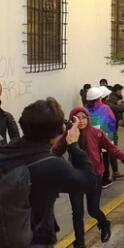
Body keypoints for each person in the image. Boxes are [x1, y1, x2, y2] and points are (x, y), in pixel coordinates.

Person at [0, 98, 95, 247]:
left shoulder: (7, 151)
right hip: (36, 240)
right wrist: (74, 145)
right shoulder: (52, 165)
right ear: (59, 131)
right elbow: (88, 181)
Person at [52, 107, 124, 248]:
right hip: (74, 178)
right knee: (77, 213)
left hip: (95, 176)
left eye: (84, 117)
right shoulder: (69, 135)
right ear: (72, 120)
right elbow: (55, 152)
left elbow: (113, 149)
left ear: (88, 118)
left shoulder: (97, 133)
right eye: (77, 118)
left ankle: (104, 224)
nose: (81, 121)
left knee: (93, 210)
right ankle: (80, 243)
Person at [84, 87, 119, 188]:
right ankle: (104, 179)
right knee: (105, 158)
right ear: (99, 98)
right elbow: (112, 121)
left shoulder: (85, 109)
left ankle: (91, 179)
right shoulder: (105, 108)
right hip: (104, 138)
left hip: (90, 140)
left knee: (92, 158)